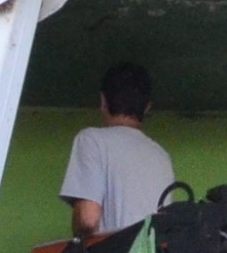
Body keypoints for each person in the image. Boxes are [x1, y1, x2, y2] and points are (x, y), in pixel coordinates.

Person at [60, 62, 174, 239]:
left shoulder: (92, 140)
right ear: (147, 107)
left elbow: (87, 220)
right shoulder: (162, 156)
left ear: (103, 101)